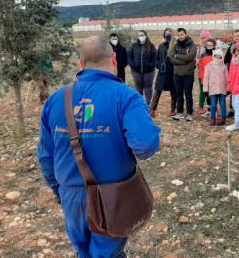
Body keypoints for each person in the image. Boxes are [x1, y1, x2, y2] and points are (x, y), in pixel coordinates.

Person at [37, 35, 161, 258]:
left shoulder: (56, 99)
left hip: (71, 195)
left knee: (84, 251)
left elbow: (46, 157)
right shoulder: (126, 96)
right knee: (105, 253)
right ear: (113, 59)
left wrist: (60, 191)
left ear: (81, 64)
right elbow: (145, 146)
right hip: (113, 197)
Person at [168, 27, 197, 122]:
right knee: (179, 94)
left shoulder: (192, 45)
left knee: (188, 94)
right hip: (177, 74)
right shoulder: (175, 45)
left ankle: (189, 113)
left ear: (186, 34)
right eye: (179, 35)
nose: (180, 36)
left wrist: (178, 56)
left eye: (182, 35)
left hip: (188, 74)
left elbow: (190, 57)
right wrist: (182, 60)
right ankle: (179, 112)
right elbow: (171, 57)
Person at [150, 28, 177, 118]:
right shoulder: (161, 45)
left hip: (172, 72)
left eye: (169, 33)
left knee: (173, 92)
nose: (167, 35)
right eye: (166, 33)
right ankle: (152, 109)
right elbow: (157, 59)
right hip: (162, 72)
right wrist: (158, 65)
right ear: (164, 35)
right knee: (157, 91)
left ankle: (173, 109)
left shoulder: (176, 45)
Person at [128, 30, 157, 104]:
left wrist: (149, 66)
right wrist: (133, 65)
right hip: (136, 71)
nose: (141, 37)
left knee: (148, 87)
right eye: (139, 35)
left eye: (142, 35)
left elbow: (155, 58)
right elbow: (129, 56)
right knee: (138, 87)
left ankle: (148, 103)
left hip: (149, 71)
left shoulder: (151, 46)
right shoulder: (134, 46)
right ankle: (140, 103)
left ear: (146, 36)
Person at [203, 49, 229, 126]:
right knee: (213, 105)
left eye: (219, 56)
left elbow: (227, 78)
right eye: (216, 56)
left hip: (222, 89)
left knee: (222, 104)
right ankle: (213, 118)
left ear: (222, 57)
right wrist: (205, 89)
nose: (217, 58)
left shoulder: (224, 66)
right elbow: (206, 78)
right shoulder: (209, 65)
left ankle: (223, 118)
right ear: (213, 56)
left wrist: (228, 89)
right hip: (212, 88)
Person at [197, 38, 216, 117]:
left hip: (213, 79)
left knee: (213, 94)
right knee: (205, 94)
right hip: (204, 78)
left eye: (210, 45)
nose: (209, 46)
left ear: (214, 46)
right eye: (207, 45)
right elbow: (200, 68)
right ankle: (204, 109)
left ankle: (213, 109)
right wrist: (202, 79)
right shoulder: (203, 55)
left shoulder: (217, 55)